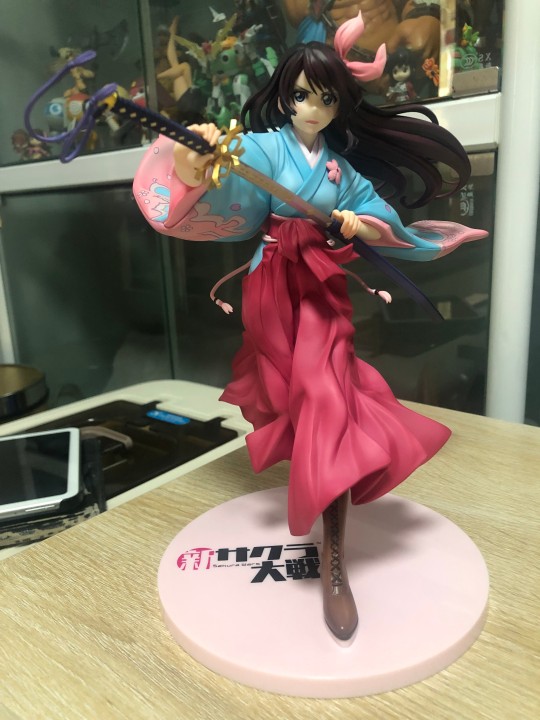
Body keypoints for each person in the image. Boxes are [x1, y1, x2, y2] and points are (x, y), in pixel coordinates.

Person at [133, 12, 487, 643]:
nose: (313, 109)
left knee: (330, 394)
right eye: (303, 95)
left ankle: (334, 555)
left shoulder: (340, 171)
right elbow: (219, 194)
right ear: (285, 96)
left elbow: (379, 217)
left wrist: (359, 224)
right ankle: (324, 490)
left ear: (339, 105)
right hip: (273, 288)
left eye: (326, 99)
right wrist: (192, 166)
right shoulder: (262, 149)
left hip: (321, 291)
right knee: (294, 398)